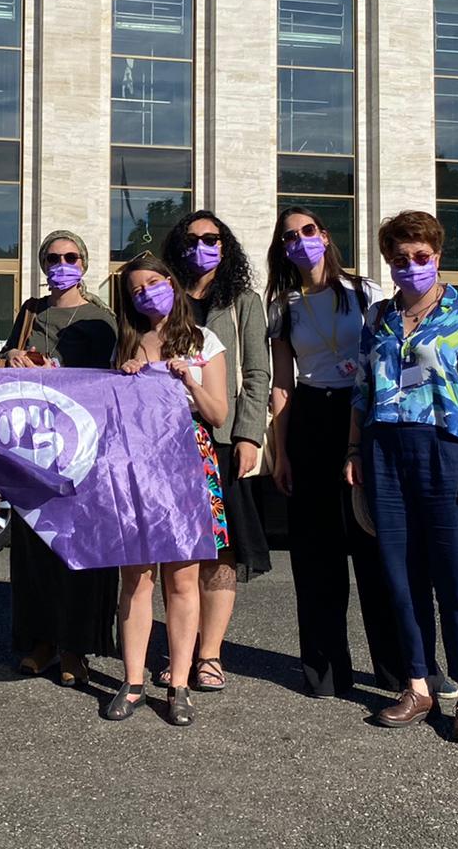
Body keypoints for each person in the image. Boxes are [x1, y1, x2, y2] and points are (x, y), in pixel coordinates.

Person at [346, 210, 458, 744]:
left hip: (447, 451)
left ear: (437, 256)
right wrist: (353, 449)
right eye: (400, 259)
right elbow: (362, 394)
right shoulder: (377, 320)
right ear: (388, 262)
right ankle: (417, 685)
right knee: (400, 578)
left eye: (421, 257)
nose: (411, 266)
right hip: (385, 452)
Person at [265, 206, 408, 699]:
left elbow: (384, 357)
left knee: (375, 546)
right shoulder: (283, 305)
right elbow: (282, 382)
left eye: (308, 231)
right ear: (283, 249)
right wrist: (281, 453)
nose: (300, 241)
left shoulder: (364, 293)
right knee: (316, 555)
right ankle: (325, 671)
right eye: (290, 236)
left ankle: (399, 670)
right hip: (310, 418)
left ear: (325, 237)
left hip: (363, 415)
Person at [104, 252, 230, 728]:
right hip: (135, 466)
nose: (147, 293)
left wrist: (190, 379)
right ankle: (132, 680)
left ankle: (178, 682)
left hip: (188, 462)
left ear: (172, 284)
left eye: (154, 283)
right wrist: (127, 376)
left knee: (182, 579)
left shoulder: (204, 340)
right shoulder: (127, 343)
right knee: (135, 577)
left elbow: (218, 414)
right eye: (136, 290)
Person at [0, 230, 119, 687]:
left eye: (70, 257)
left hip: (83, 448)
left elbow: (110, 382)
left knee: (82, 551)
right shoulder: (31, 312)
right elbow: (6, 365)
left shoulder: (103, 319)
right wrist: (12, 356)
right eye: (53, 258)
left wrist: (63, 374)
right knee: (35, 551)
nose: (61, 264)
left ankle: (76, 648)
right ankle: (40, 641)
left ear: (83, 264)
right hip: (33, 448)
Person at [156, 210, 270, 694]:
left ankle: (210, 655)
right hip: (163, 441)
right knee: (177, 550)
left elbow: (259, 373)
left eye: (211, 239)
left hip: (220, 439)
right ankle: (180, 648)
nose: (201, 246)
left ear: (225, 248)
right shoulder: (165, 296)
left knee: (222, 551)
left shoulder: (242, 300)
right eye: (192, 239)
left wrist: (249, 435)